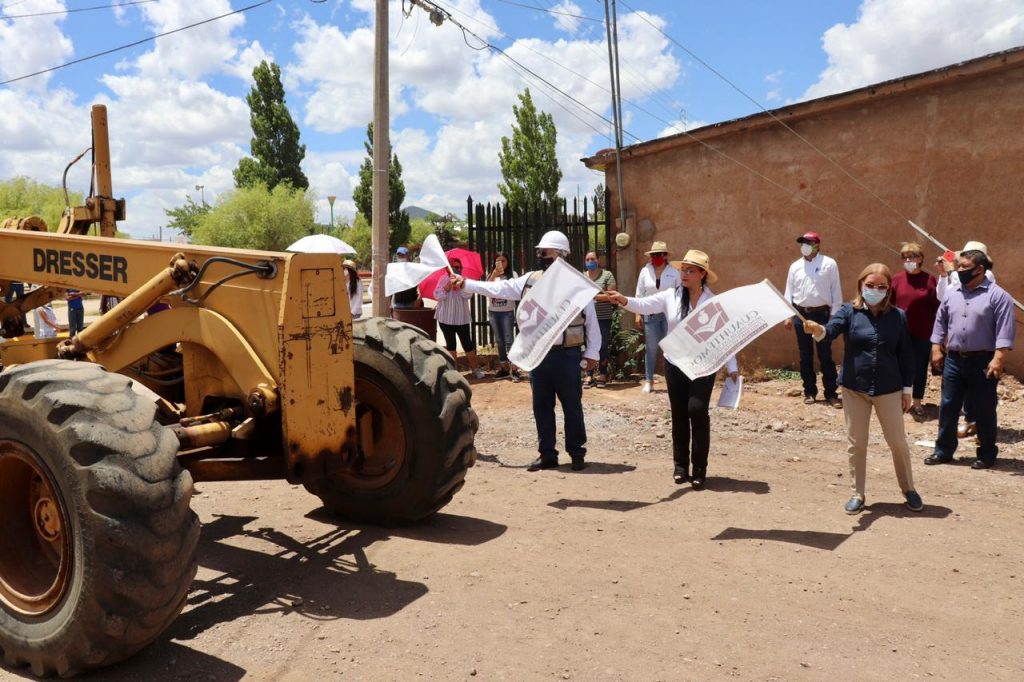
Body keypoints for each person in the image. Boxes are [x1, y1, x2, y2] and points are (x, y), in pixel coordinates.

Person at [453, 230, 600, 471]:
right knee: (541, 406)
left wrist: (592, 352)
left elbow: (591, 321)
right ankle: (547, 454)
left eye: (546, 252)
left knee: (572, 405)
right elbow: (501, 289)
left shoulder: (578, 285)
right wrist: (467, 283)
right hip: (538, 354)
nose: (541, 256)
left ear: (562, 255)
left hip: (567, 354)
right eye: (540, 252)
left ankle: (576, 453)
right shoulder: (531, 279)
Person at [609, 250, 737, 489]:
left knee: (697, 411)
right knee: (678, 414)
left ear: (702, 274)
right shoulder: (671, 296)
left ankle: (700, 469)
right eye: (683, 270)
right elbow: (645, 305)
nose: (684, 274)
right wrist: (624, 300)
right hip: (675, 362)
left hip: (702, 364)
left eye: (690, 270)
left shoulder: (713, 301)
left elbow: (725, 335)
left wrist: (732, 367)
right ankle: (680, 467)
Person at [803, 264, 923, 514]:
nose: (875, 290)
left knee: (898, 443)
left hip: (889, 389)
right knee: (857, 443)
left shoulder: (898, 316)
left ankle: (909, 489)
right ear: (860, 285)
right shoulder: (850, 311)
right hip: (854, 388)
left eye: (881, 286)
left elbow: (906, 354)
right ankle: (857, 493)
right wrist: (819, 330)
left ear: (889, 289)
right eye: (870, 285)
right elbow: (832, 330)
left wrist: (907, 389)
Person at [925, 248, 1015, 470]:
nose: (960, 271)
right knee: (948, 405)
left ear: (980, 269)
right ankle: (943, 450)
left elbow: (1005, 331)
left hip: (983, 361)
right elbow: (940, 322)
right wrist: (936, 348)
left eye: (965, 267)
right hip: (954, 359)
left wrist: (998, 359)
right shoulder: (952, 293)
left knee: (984, 408)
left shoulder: (998, 296)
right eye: (959, 266)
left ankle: (986, 454)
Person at [933, 240, 996, 439]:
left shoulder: (988, 278)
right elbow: (944, 297)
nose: (961, 267)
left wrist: (952, 272)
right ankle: (947, 445)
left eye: (965, 264)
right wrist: (945, 274)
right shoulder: (955, 277)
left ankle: (981, 435)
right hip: (955, 349)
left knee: (982, 398)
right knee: (950, 400)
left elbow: (966, 287)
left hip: (980, 352)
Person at [782, 231, 842, 407]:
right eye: (803, 243)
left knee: (825, 355)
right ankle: (809, 392)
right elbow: (789, 291)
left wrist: (834, 317)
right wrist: (788, 315)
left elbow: (836, 291)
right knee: (805, 355)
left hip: (821, 315)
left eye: (808, 243)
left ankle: (831, 393)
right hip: (801, 315)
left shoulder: (829, 264)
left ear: (817, 245)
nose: (804, 246)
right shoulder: (795, 266)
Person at [890, 242, 939, 416]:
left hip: (923, 332)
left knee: (919, 368)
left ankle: (917, 401)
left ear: (920, 259)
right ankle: (898, 400)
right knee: (898, 366)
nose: (908, 259)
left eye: (912, 256)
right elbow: (890, 304)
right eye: (905, 257)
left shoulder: (930, 279)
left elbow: (936, 307)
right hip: (900, 333)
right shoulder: (896, 279)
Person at [635, 241, 680, 393]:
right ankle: (649, 380)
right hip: (650, 315)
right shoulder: (645, 271)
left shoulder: (674, 272)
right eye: (654, 255)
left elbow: (680, 294)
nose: (656, 257)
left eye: (659, 254)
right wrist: (637, 313)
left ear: (665, 255)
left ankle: (673, 380)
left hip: (669, 315)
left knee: (671, 348)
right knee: (652, 348)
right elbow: (639, 293)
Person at [434, 257, 484, 380]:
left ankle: (475, 369)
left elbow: (468, 296)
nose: (457, 269)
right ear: (449, 268)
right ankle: (454, 372)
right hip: (446, 318)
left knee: (468, 344)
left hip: (461, 318)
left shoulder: (465, 280)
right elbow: (437, 296)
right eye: (455, 267)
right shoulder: (443, 279)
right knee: (451, 345)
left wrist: (461, 286)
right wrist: (448, 286)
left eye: (459, 267)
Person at [583, 251, 617, 388]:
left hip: (603, 317)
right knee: (587, 345)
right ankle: (588, 374)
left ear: (598, 260)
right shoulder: (581, 276)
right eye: (587, 259)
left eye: (593, 259)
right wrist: (599, 294)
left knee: (602, 346)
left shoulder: (607, 275)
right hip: (585, 318)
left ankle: (602, 374)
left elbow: (611, 295)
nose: (590, 261)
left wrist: (592, 296)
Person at [486, 252, 520, 381]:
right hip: (494, 311)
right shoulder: (491, 275)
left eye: (503, 261)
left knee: (509, 340)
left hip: (507, 311)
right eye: (498, 261)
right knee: (499, 340)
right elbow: (486, 289)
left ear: (508, 262)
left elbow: (515, 290)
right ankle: (503, 368)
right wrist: (494, 274)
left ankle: (514, 368)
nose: (501, 264)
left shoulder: (513, 275)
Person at [391, 246, 422, 310]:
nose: (400, 257)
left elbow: (422, 284)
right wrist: (392, 302)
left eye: (402, 255)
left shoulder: (414, 269)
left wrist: (419, 299)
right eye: (399, 255)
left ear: (408, 256)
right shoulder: (395, 269)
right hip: (397, 304)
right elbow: (393, 288)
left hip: (412, 304)